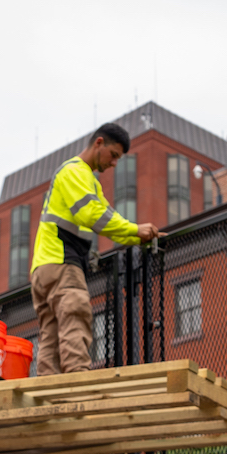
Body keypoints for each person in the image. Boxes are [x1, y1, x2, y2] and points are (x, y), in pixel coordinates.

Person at [29, 124, 162, 376]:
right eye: (113, 155)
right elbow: (93, 214)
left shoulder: (84, 179)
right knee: (75, 316)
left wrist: (135, 235)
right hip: (61, 263)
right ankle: (79, 386)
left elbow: (106, 220)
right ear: (99, 143)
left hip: (44, 268)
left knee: (51, 334)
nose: (114, 164)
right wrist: (135, 230)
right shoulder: (75, 172)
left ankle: (48, 395)